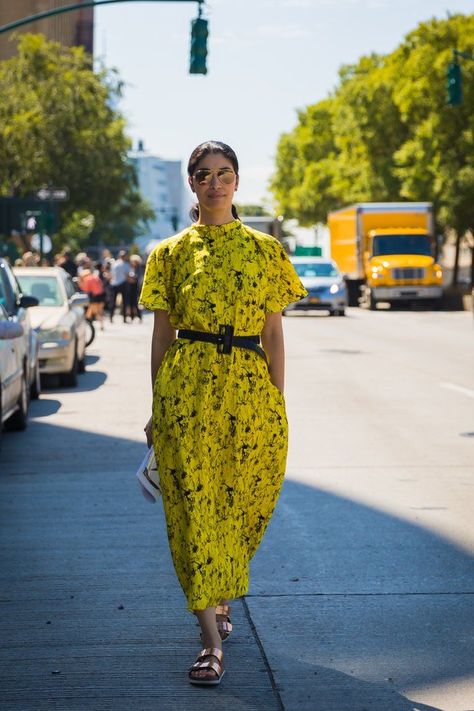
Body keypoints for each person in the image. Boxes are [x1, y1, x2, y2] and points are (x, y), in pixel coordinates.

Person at [139, 141, 307, 686]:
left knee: (246, 504)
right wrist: (155, 408)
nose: (215, 183)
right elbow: (161, 337)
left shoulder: (265, 251)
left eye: (225, 174)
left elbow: (275, 333)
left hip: (249, 389)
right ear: (192, 184)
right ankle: (210, 642)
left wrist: (277, 401)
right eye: (205, 175)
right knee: (193, 514)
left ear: (237, 182)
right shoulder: (168, 253)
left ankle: (223, 587)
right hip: (186, 391)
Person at [109, 250, 130, 322]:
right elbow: (127, 275)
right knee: (124, 302)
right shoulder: (125, 264)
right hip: (122, 283)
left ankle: (111, 317)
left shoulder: (114, 264)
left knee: (113, 301)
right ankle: (124, 318)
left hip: (114, 284)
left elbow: (111, 274)